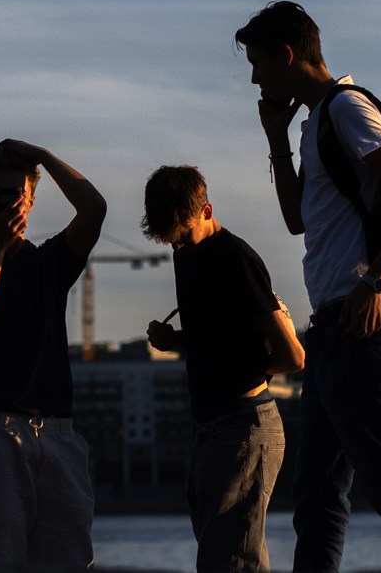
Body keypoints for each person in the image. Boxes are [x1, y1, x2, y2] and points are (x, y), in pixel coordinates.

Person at [235, 2, 381, 571]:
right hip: (332, 331)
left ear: (287, 56)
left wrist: (374, 280)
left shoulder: (346, 109)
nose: (255, 77)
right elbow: (298, 219)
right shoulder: (317, 121)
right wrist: (276, 139)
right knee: (316, 494)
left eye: (259, 63)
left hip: (361, 325)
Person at [0, 139, 107, 569]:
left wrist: (43, 156)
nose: (5, 202)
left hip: (57, 432)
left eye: (15, 193)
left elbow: (94, 208)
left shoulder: (50, 261)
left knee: (72, 559)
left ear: (31, 200)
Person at [142, 165, 305, 573]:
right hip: (213, 428)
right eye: (171, 242)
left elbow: (294, 356)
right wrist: (175, 341)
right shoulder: (188, 253)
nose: (178, 247)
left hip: (244, 427)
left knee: (232, 562)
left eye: (183, 235)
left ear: (208, 210)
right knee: (223, 558)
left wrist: (246, 375)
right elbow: (220, 337)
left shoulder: (236, 260)